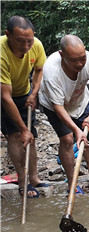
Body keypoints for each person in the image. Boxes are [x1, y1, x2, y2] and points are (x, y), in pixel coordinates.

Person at [39, 35, 89, 194]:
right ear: (62, 55)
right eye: (73, 60)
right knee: (67, 139)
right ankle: (72, 183)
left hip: (79, 101)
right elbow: (58, 107)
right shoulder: (51, 71)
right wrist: (76, 130)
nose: (79, 64)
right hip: (55, 105)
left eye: (82, 58)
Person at [1, 16, 49, 198]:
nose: (26, 46)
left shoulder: (36, 44)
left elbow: (39, 69)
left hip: (23, 91)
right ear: (8, 35)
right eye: (21, 41)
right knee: (16, 135)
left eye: (29, 40)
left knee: (31, 136)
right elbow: (6, 97)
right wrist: (23, 129)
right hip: (4, 95)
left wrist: (34, 93)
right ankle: (23, 180)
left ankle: (34, 178)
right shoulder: (1, 52)